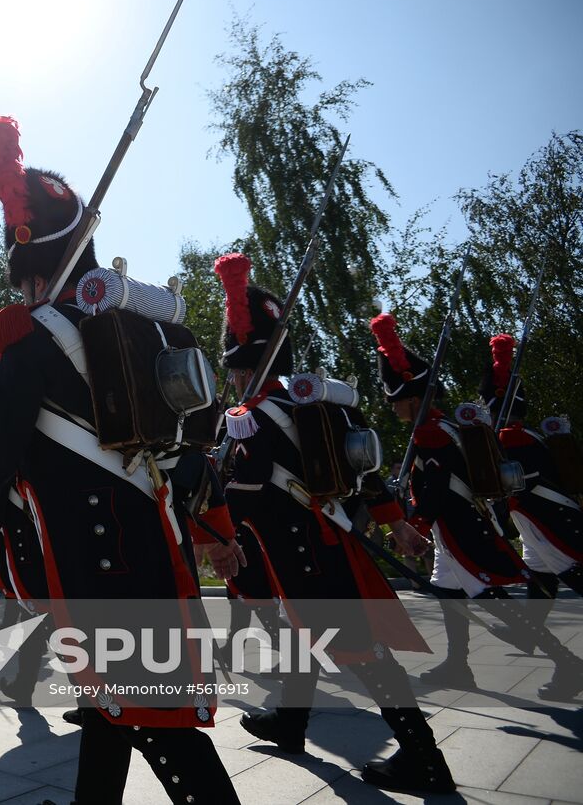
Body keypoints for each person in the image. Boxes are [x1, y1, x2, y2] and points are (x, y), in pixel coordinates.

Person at [0, 117, 240, 804]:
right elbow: (187, 451)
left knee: (159, 724)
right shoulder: (140, 330)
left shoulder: (33, 345)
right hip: (154, 544)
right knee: (118, 711)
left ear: (33, 267)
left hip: (98, 561)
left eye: (23, 279)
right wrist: (215, 532)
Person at [212, 254, 453, 793]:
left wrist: (217, 536)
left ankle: (425, 760)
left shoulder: (249, 418)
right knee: (308, 638)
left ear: (242, 361)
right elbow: (367, 472)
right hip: (335, 539)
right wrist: (397, 525)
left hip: (301, 554)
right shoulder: (329, 401)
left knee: (361, 653)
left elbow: (241, 495)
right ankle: (291, 722)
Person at [374, 315, 583, 701]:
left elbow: (437, 489)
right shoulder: (444, 427)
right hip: (456, 528)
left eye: (396, 401)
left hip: (459, 528)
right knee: (448, 594)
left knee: (494, 602)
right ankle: (458, 664)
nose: (392, 409)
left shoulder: (431, 432)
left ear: (414, 399)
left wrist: (413, 525)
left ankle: (566, 662)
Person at [487, 337, 583, 626]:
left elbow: (516, 485)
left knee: (567, 572)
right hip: (537, 520)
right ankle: (530, 633)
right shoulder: (525, 434)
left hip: (546, 519)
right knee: (540, 574)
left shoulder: (509, 439)